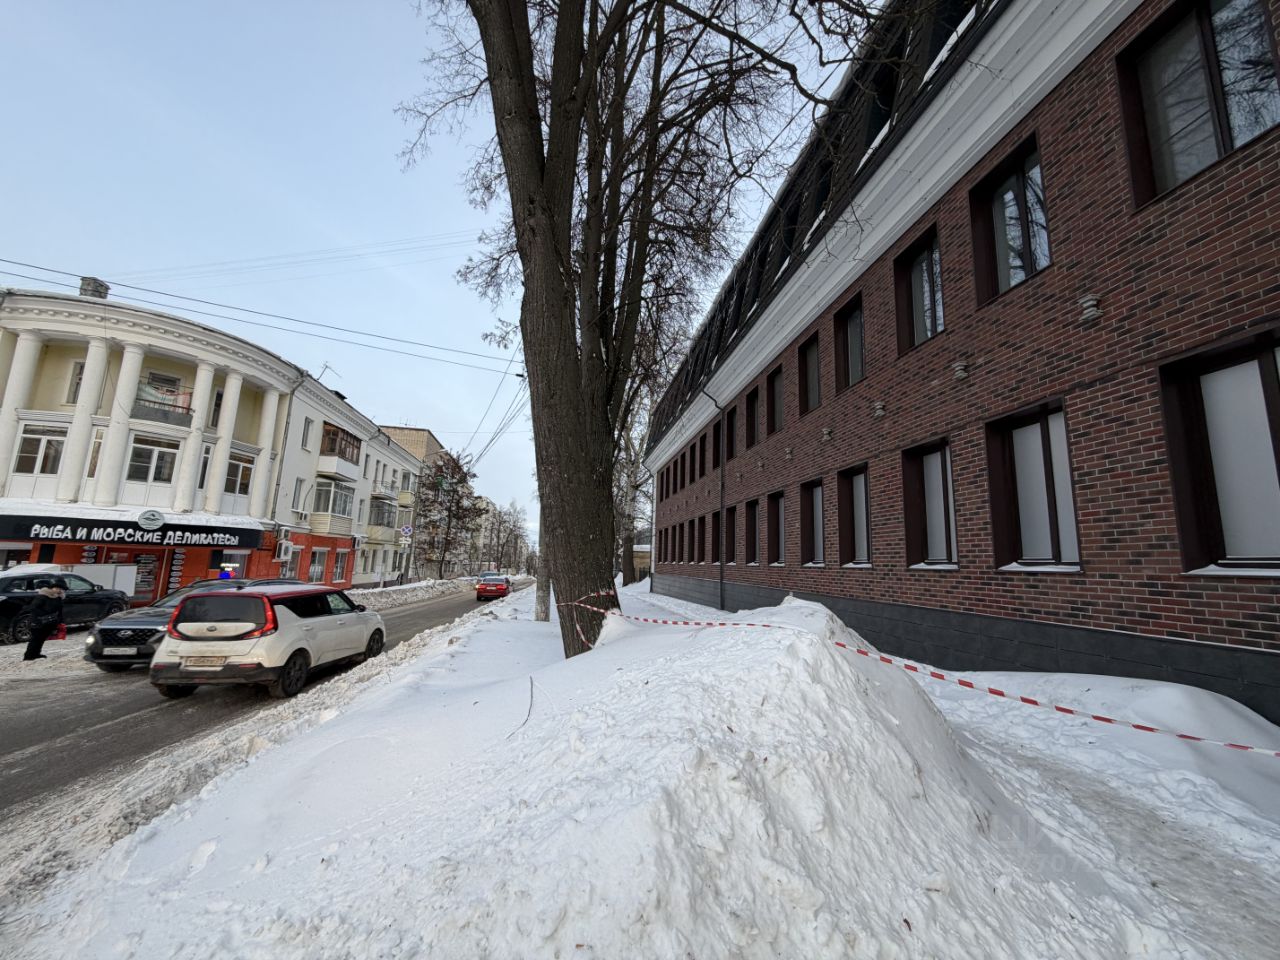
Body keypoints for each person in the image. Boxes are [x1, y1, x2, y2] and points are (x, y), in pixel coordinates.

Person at [23, 577, 66, 661]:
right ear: (52, 588)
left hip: (49, 622)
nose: (59, 590)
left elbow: (59, 611)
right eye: (57, 588)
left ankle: (36, 653)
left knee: (41, 639)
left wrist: (60, 621)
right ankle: (28, 656)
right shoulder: (43, 596)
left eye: (61, 589)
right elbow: (33, 608)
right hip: (37, 621)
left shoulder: (58, 598)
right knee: (35, 639)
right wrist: (44, 614)